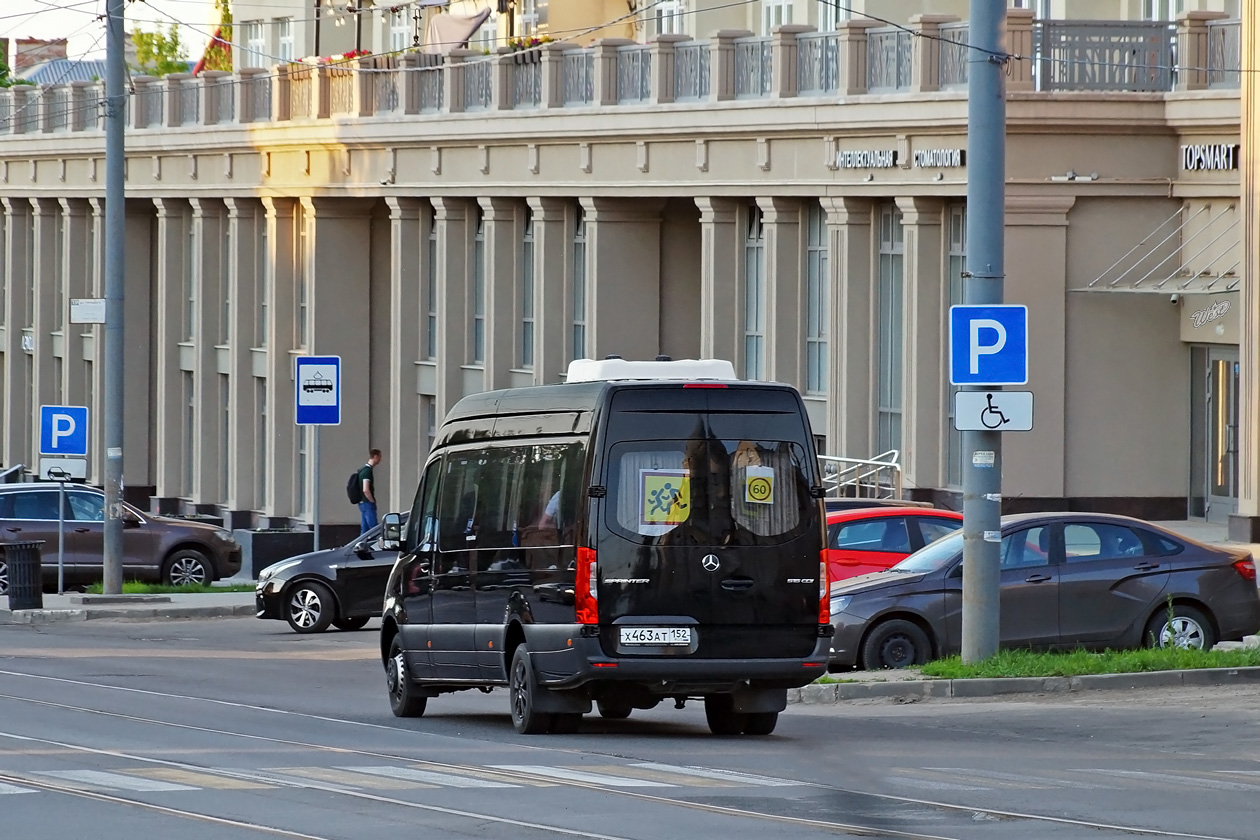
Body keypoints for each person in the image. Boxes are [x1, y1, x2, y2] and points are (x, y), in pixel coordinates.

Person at [358, 449, 382, 534]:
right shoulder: (367, 471)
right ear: (375, 457)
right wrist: (372, 500)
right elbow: (366, 489)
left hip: (362, 503)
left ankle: (362, 545)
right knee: (373, 529)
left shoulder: (362, 470)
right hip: (367, 503)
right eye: (379, 457)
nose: (380, 459)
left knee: (365, 530)